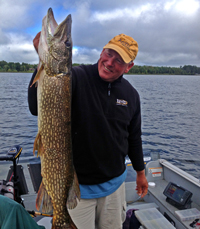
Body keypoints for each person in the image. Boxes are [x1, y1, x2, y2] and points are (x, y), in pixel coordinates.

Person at [28, 33, 148, 229]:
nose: (109, 62)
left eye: (118, 61)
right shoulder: (74, 77)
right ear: (102, 51)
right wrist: (43, 60)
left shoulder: (131, 95)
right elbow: (35, 107)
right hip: (77, 190)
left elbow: (134, 138)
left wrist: (140, 173)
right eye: (108, 54)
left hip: (114, 188)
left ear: (129, 67)